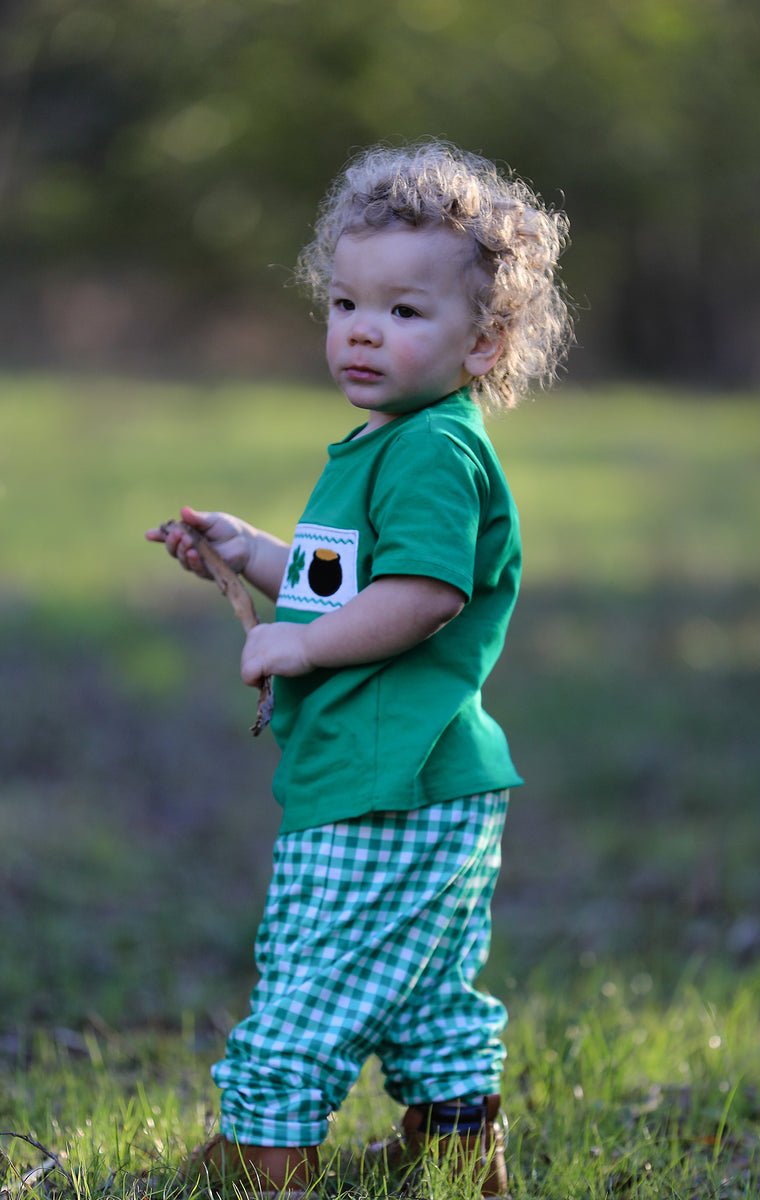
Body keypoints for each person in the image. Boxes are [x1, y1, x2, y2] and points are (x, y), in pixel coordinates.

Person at [147, 140, 571, 1197]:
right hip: (410, 783)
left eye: (406, 311)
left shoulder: (431, 450)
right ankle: (459, 1145)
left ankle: (265, 1158)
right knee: (422, 987)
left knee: (315, 977)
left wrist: (295, 641)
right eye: (345, 304)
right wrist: (256, 559)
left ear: (488, 340)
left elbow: (422, 598)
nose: (362, 331)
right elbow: (356, 587)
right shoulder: (392, 443)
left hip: (393, 782)